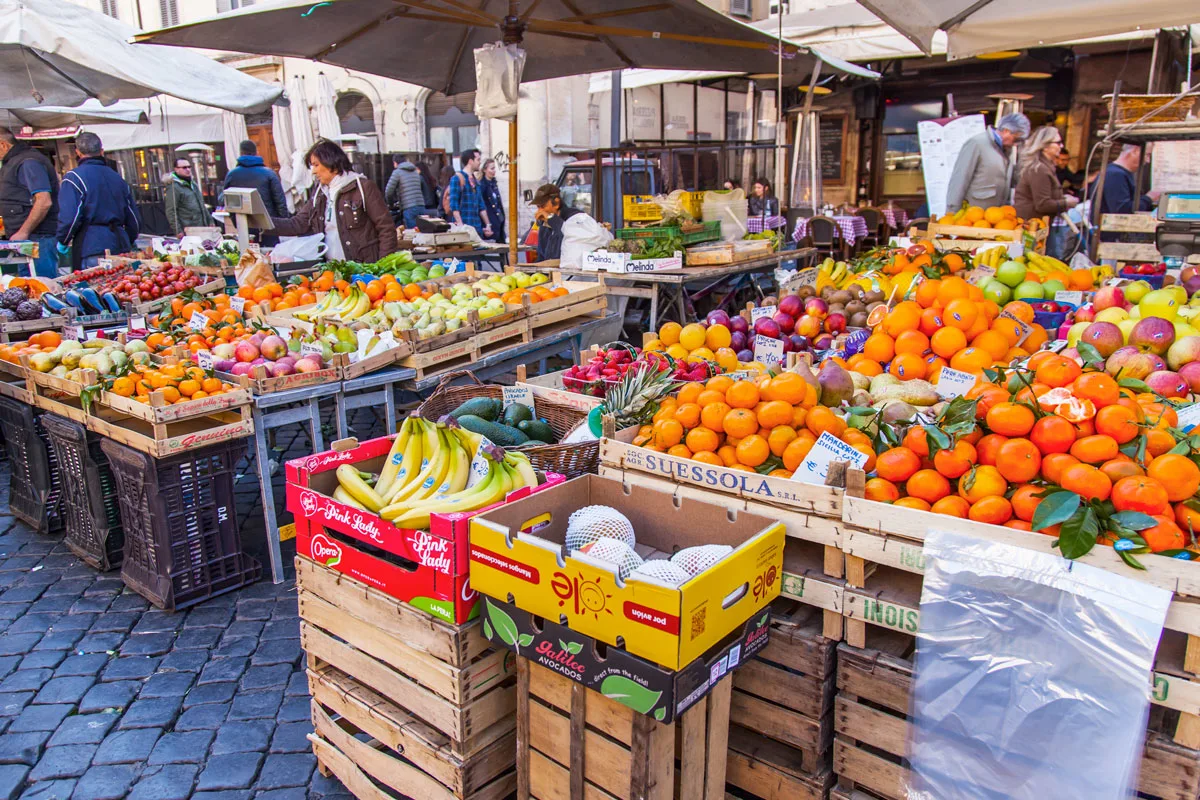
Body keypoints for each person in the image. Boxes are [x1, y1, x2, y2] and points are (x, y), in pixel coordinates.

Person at [271, 139, 396, 263]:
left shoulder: (363, 187)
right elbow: (297, 224)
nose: (313, 171)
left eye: (316, 165)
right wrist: (261, 222)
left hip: (364, 270)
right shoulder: (319, 194)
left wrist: (382, 266)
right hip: (331, 271)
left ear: (333, 165)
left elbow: (386, 228)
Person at [56, 132, 139, 270]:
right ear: (101, 151)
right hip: (119, 245)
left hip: (92, 247)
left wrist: (62, 241)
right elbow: (134, 219)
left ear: (78, 152)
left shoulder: (74, 178)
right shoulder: (118, 179)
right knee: (121, 289)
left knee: (94, 288)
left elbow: (69, 218)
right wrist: (127, 239)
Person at [0, 127, 59, 278]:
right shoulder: (13, 162)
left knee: (44, 287)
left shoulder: (28, 162)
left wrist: (23, 231)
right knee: (29, 289)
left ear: (3, 144)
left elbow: (44, 201)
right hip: (25, 240)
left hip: (37, 239)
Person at [945, 112, 1031, 211]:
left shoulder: (1006, 150)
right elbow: (960, 178)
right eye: (1017, 139)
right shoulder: (977, 143)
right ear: (1006, 131)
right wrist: (952, 211)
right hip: (973, 214)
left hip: (995, 216)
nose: (1016, 144)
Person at [1014, 126, 1079, 221]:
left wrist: (1062, 198)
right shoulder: (1039, 169)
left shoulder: (1046, 167)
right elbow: (1042, 205)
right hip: (1030, 227)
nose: (1061, 146)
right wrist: (1066, 203)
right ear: (1045, 146)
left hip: (1038, 224)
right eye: (1058, 143)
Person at [1092, 144, 1160, 215]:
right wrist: (1149, 198)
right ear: (1135, 151)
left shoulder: (1119, 173)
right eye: (1147, 155)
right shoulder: (1115, 175)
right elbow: (1122, 211)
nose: (1148, 160)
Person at [445, 148, 492, 239]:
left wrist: (487, 225)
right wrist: (461, 226)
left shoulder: (475, 180)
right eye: (478, 160)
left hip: (476, 229)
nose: (479, 163)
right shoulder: (457, 178)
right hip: (464, 229)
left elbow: (481, 205)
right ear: (470, 161)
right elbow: (454, 205)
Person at [532, 183, 583, 262]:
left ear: (556, 203)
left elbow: (568, 234)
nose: (540, 211)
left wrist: (551, 219)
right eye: (538, 207)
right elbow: (541, 257)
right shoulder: (544, 225)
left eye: (543, 206)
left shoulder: (575, 217)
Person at [163, 157, 213, 234]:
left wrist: (210, 221)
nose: (188, 169)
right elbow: (171, 211)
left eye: (189, 167)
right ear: (176, 169)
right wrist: (178, 231)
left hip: (202, 226)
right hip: (188, 228)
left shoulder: (193, 184)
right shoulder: (173, 187)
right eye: (184, 167)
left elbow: (201, 204)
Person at [386, 155, 430, 229]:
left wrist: (390, 204)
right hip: (421, 205)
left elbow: (388, 191)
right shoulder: (415, 172)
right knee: (422, 231)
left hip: (409, 207)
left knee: (412, 234)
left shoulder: (397, 172)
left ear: (395, 163)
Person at [479, 158, 505, 243]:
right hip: (490, 221)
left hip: (499, 221)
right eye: (491, 168)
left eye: (494, 168)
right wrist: (487, 224)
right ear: (484, 170)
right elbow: (481, 206)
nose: (494, 171)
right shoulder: (482, 185)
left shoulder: (493, 184)